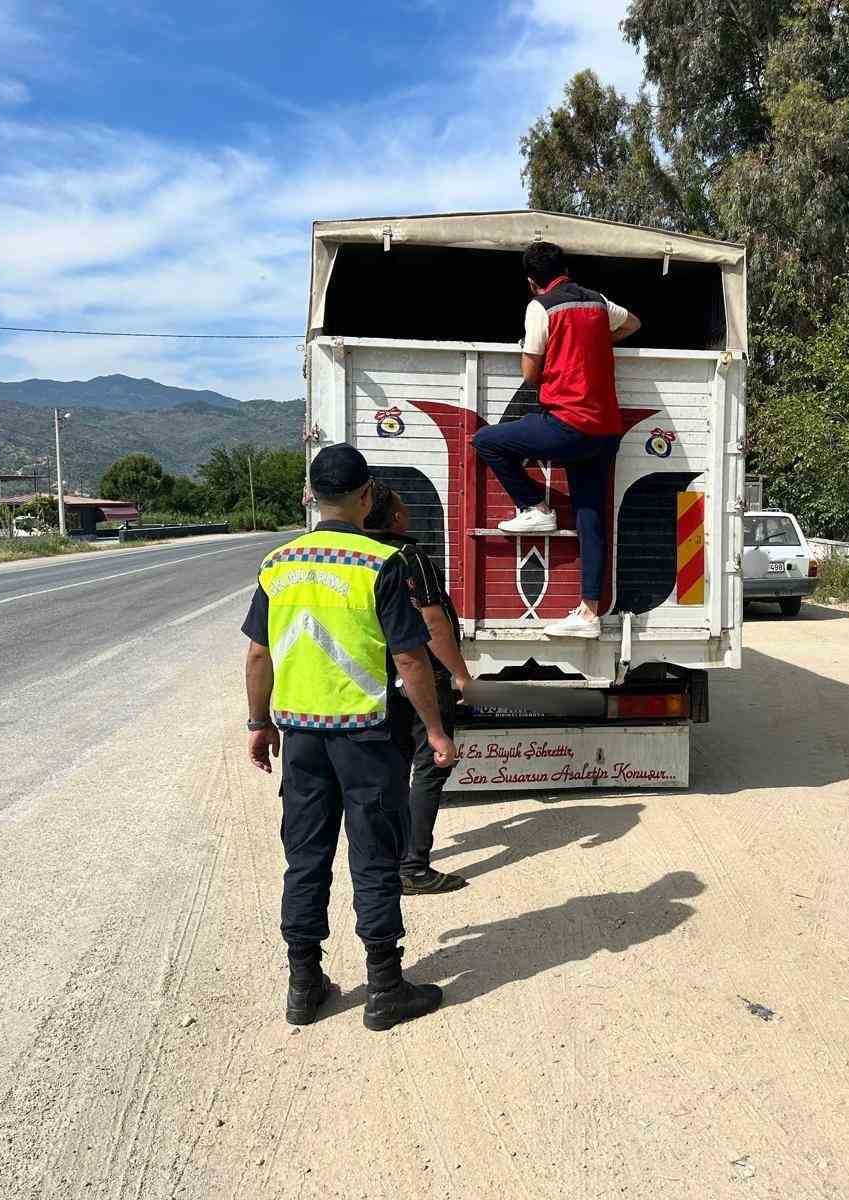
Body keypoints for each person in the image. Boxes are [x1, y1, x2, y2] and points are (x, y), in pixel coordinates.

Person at [242, 444, 458, 1032]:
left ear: (311, 495)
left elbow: (259, 653)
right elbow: (411, 659)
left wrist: (259, 723)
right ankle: (386, 987)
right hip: (366, 738)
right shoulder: (381, 561)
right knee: (374, 860)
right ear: (367, 496)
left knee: (305, 860)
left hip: (303, 741)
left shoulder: (277, 563)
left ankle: (304, 985)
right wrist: (435, 730)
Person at [472, 240, 641, 639]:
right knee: (590, 518)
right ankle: (589, 613)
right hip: (605, 431)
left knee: (486, 441)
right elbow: (632, 323)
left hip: (567, 424)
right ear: (566, 269)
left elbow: (531, 373)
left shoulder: (540, 307)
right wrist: (596, 342)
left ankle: (533, 506)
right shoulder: (597, 301)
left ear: (532, 282)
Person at [363, 485, 473, 896]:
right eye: (404, 507)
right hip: (419, 677)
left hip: (375, 680)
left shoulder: (358, 557)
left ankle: (386, 857)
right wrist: (459, 673)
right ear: (394, 518)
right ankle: (413, 866)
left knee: (390, 769)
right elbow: (432, 624)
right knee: (431, 764)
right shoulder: (409, 556)